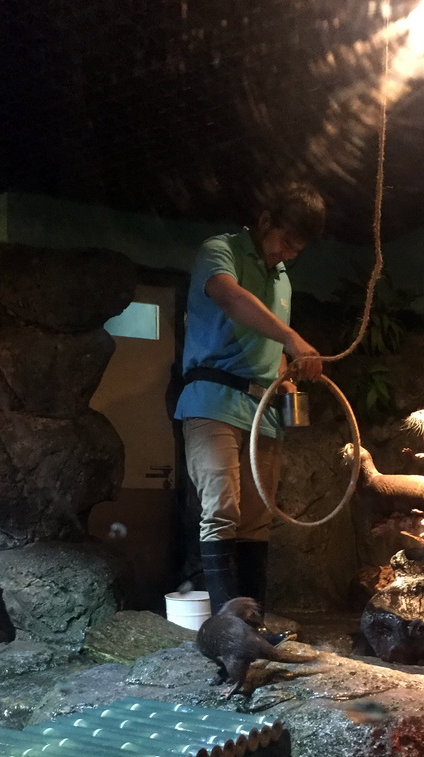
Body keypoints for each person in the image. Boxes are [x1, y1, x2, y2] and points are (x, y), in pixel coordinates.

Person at [174, 184, 326, 617]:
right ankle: (227, 631)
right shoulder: (219, 252)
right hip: (213, 400)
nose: (288, 254)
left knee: (257, 520)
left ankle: (253, 625)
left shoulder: (284, 281)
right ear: (264, 222)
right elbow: (229, 296)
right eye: (285, 241)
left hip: (262, 412)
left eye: (298, 249)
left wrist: (287, 376)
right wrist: (292, 337)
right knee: (221, 509)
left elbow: (270, 346)